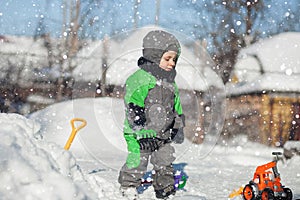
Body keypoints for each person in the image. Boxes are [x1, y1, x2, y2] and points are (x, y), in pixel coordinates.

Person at [118, 30, 185, 199]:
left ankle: (164, 189)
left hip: (162, 133)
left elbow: (176, 106)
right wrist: (140, 127)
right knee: (138, 160)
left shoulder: (170, 82)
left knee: (165, 160)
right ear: (155, 56)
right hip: (138, 132)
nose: (172, 63)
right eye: (167, 58)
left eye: (174, 60)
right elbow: (133, 103)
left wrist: (178, 126)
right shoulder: (140, 78)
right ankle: (128, 186)